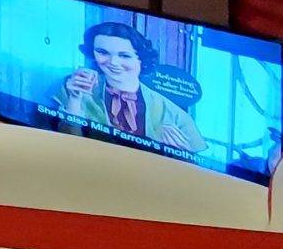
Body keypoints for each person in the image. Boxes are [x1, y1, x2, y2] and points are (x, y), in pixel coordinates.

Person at [52, 21, 206, 152]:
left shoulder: (175, 115)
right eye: (102, 52)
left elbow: (197, 171)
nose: (113, 62)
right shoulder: (74, 86)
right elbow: (67, 148)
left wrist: (180, 154)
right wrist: (74, 100)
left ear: (142, 60)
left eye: (124, 56)